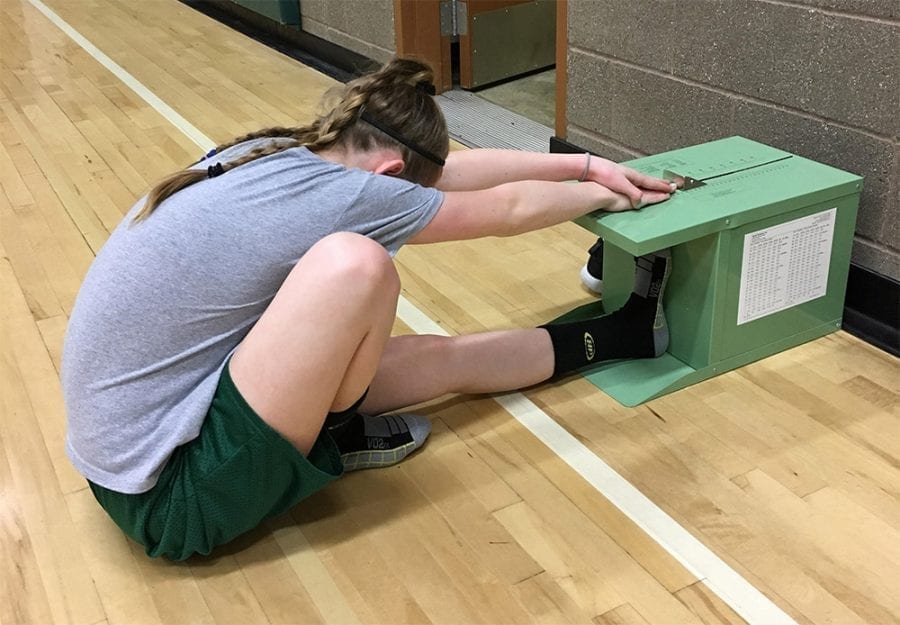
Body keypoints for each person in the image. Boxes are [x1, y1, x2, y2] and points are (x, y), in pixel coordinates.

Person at [61, 58, 678, 560]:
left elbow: (456, 170)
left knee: (438, 359)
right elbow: (509, 209)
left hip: (141, 447)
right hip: (177, 498)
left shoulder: (292, 149)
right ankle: (338, 431)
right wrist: (610, 196)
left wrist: (586, 164)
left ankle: (624, 335)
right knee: (354, 264)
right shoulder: (354, 198)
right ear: (387, 170)